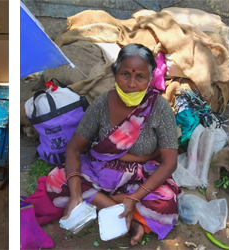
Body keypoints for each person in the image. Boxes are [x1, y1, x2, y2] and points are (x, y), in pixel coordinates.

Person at [45, 44, 181, 246]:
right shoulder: (101, 104)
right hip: (100, 169)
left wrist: (134, 197)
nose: (132, 83)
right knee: (57, 180)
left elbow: (169, 164)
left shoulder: (159, 108)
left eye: (140, 77)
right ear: (115, 73)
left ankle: (111, 203)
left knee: (166, 201)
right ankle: (129, 217)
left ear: (150, 78)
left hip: (141, 175)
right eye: (125, 74)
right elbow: (74, 148)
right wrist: (75, 194)